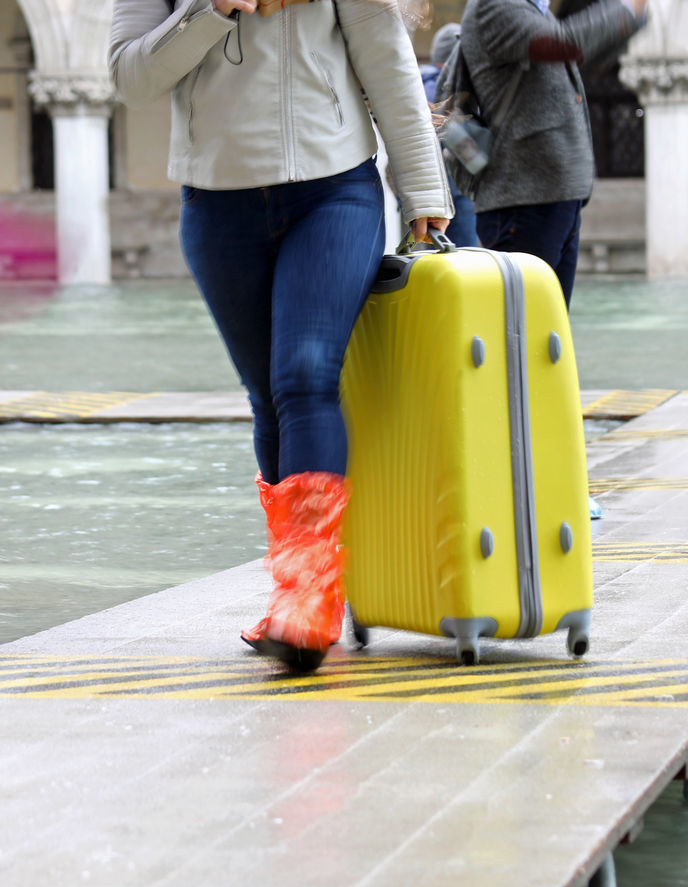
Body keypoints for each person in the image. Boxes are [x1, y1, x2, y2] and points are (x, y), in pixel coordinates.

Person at [110, 0, 453, 671]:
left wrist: (422, 190)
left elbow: (386, 59)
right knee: (268, 395)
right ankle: (297, 596)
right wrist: (213, 10)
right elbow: (131, 78)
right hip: (216, 205)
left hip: (334, 193)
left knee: (304, 375)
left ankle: (310, 601)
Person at [456, 0, 646, 308]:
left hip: (552, 196)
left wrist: (634, 17)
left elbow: (583, 55)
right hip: (523, 199)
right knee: (520, 333)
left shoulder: (533, 10)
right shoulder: (497, 4)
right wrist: (627, 9)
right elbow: (565, 44)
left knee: (547, 335)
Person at [420, 21, 479, 247]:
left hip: (426, 181)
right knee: (466, 251)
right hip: (458, 175)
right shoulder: (454, 84)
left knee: (430, 247)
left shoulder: (418, 83)